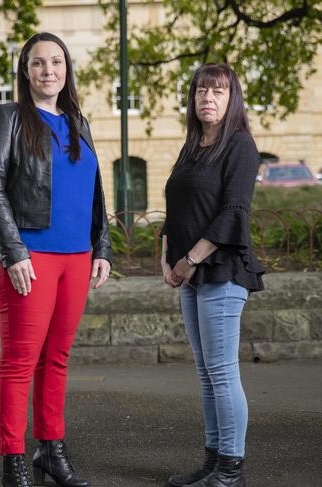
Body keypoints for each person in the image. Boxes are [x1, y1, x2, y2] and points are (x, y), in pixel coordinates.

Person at [0, 32, 112, 487]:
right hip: (29, 256)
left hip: (76, 257)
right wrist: (12, 251)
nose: (48, 71)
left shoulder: (79, 121)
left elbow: (94, 191)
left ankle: (51, 451)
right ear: (25, 71)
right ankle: (14, 461)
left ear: (67, 69)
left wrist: (102, 247)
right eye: (38, 63)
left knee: (56, 358)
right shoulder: (9, 118)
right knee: (20, 360)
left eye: (56, 62)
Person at [161, 64, 265, 487]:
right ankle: (213, 459)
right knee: (206, 373)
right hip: (190, 273)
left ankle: (230, 470)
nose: (208, 98)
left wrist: (191, 258)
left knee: (222, 373)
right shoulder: (192, 147)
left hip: (221, 271)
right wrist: (168, 256)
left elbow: (233, 212)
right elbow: (177, 209)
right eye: (202, 90)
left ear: (231, 98)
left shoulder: (239, 145)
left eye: (218, 91)